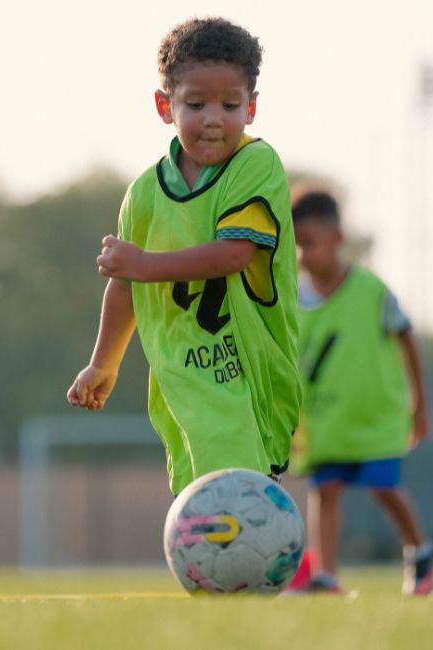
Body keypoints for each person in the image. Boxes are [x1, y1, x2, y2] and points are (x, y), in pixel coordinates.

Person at [67, 17, 301, 496]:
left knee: (239, 513)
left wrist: (141, 265)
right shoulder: (144, 194)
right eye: (196, 104)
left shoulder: (255, 165)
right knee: (208, 528)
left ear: (252, 107)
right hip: (180, 385)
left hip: (248, 379)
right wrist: (104, 364)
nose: (213, 118)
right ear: (163, 105)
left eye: (230, 104)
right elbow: (125, 287)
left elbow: (233, 254)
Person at [289, 189, 433, 595]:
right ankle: (327, 576)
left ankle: (420, 553)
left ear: (337, 238)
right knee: (326, 490)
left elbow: (408, 340)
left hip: (376, 416)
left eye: (309, 244)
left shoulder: (371, 290)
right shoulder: (291, 298)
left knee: (384, 487)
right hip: (324, 420)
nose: (302, 254)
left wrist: (420, 403)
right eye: (296, 245)